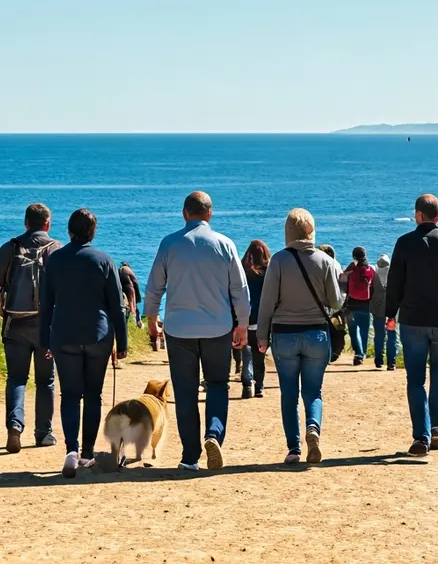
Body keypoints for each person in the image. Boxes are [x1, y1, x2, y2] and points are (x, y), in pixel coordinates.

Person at [144, 191, 251, 471]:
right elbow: (239, 290)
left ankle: (189, 456)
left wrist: (152, 318)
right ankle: (213, 435)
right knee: (217, 384)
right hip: (218, 328)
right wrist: (242, 323)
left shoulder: (169, 244)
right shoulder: (225, 244)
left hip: (179, 330)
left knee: (186, 392)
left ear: (184, 213)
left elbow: (155, 286)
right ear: (210, 214)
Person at [39, 209, 129, 478]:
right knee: (93, 395)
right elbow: (117, 306)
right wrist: (122, 342)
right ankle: (88, 453)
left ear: (69, 231)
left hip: (64, 335)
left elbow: (46, 305)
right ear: (93, 232)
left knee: (69, 394)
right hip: (98, 336)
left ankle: (71, 449)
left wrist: (44, 341)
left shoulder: (54, 260)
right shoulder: (104, 260)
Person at [384, 194, 438, 458]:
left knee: (415, 380)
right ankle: (437, 426)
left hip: (412, 321)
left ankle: (420, 437)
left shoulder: (404, 243)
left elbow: (395, 284)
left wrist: (390, 314)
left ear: (418, 214)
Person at [0, 203, 59, 454]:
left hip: (15, 325)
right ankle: (44, 434)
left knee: (17, 379)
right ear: (47, 224)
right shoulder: (56, 249)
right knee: (46, 381)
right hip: (46, 326)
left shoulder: (9, 248)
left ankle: (14, 427)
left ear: (25, 223)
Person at [256, 209, 342, 465]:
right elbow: (336, 302)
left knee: (289, 394)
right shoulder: (324, 261)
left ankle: (294, 449)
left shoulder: (279, 261)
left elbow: (267, 303)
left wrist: (262, 335)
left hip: (285, 335)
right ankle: (313, 429)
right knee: (313, 392)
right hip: (317, 334)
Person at [240, 239, 271, 399]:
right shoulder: (269, 273)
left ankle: (247, 385)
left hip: (244, 319)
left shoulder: (242, 271)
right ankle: (259, 386)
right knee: (260, 356)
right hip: (262, 319)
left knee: (246, 353)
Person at [344, 247, 375, 366]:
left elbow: (341, 278)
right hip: (365, 304)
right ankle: (363, 354)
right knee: (364, 330)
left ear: (354, 256)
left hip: (351, 304)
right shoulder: (370, 269)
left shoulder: (352, 269)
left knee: (353, 330)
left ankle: (358, 353)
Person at [370, 253, 399, 370]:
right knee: (392, 336)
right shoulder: (394, 274)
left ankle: (378, 361)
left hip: (377, 310)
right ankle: (391, 362)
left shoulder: (374, 273)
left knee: (379, 336)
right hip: (392, 311)